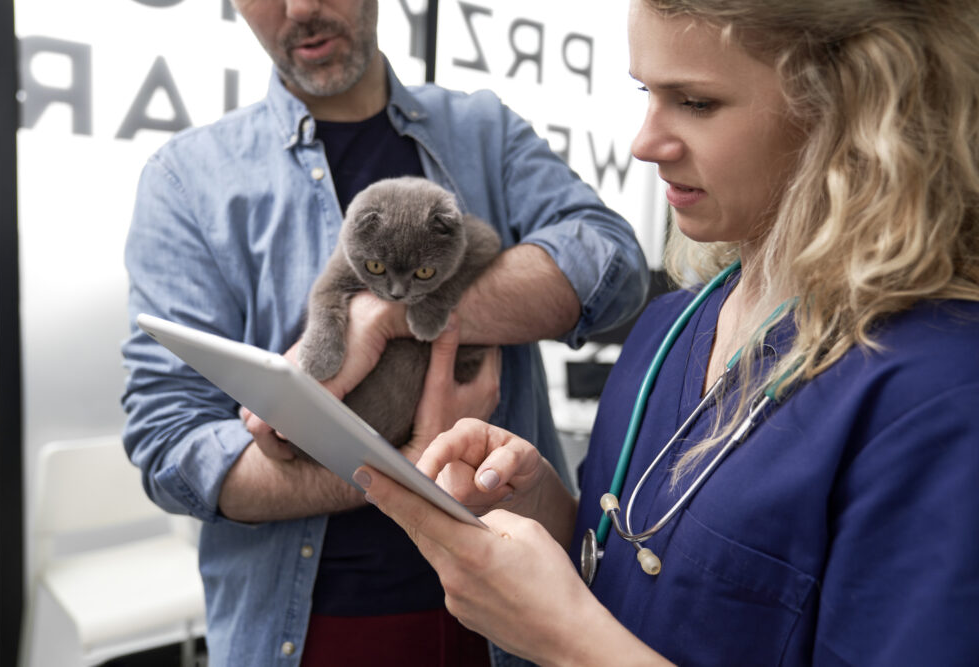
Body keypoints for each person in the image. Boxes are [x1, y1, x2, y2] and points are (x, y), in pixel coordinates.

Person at [358, 0, 979, 664]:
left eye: (696, 102)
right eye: (645, 93)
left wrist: (564, 639)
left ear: (854, 107)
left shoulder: (937, 390)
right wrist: (545, 508)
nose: (644, 143)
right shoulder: (668, 330)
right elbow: (649, 578)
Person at [120, 0, 649, 665]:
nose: (303, 7)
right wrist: (404, 461)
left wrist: (386, 314)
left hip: (516, 617)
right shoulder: (187, 181)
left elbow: (611, 262)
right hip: (308, 631)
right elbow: (170, 446)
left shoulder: (483, 131)